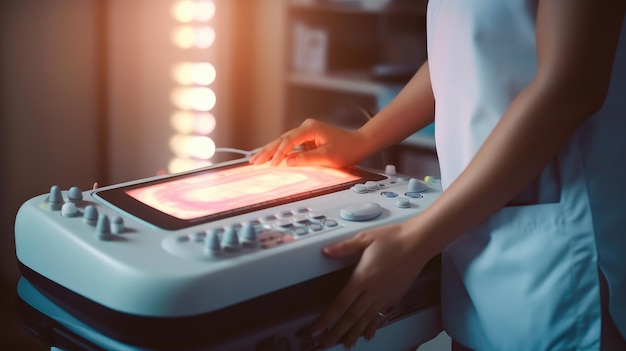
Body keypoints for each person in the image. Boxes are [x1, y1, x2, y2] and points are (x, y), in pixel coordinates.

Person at [250, 0, 626, 350]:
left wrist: (417, 239)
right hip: (477, 234)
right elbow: (460, 51)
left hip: (560, 254)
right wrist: (363, 138)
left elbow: (570, 88)